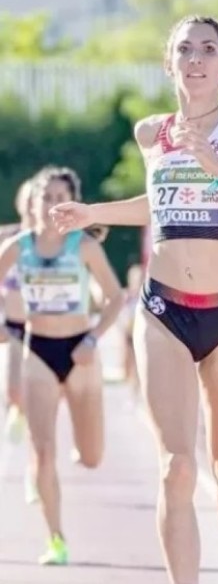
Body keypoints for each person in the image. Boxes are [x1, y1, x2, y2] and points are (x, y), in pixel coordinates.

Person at [50, 15, 218, 584]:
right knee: (176, 469)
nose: (197, 59)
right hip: (162, 312)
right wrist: (93, 214)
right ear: (169, 62)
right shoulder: (149, 133)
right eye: (185, 49)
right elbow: (157, 203)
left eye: (209, 50)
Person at [0, 166, 125, 565]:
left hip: (79, 352)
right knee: (42, 449)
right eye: (46, 197)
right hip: (38, 350)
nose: (53, 204)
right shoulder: (18, 247)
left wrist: (92, 338)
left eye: (60, 197)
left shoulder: (83, 246)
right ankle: (55, 538)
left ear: (71, 203)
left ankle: (83, 448)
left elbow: (116, 297)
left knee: (91, 457)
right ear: (33, 203)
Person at [2, 177, 36, 444]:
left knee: (40, 393)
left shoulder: (54, 241)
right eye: (27, 199)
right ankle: (18, 410)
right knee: (12, 389)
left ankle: (39, 450)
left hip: (46, 327)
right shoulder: (7, 237)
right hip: (13, 326)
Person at [118, 262, 144, 405]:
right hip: (129, 333)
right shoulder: (127, 296)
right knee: (128, 365)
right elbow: (122, 313)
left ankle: (139, 394)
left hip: (139, 335)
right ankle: (131, 393)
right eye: (136, 278)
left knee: (140, 366)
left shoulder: (145, 295)